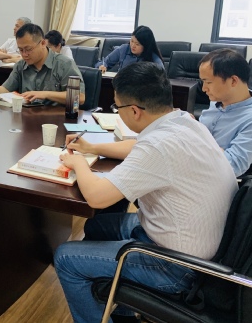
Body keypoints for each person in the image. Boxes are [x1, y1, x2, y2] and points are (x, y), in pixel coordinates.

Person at [54, 62, 238, 323]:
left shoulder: (159, 146)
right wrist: (92, 148)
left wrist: (78, 163)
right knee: (97, 226)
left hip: (178, 266)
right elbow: (137, 146)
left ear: (135, 111)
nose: (118, 112)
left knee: (66, 258)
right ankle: (121, 309)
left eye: (118, 107)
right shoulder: (183, 121)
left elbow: (97, 196)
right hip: (202, 245)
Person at [0, 23, 84, 105]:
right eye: (21, 50)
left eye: (28, 49)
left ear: (43, 43)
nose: (24, 54)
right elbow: (6, 89)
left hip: (55, 119)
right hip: (28, 118)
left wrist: (45, 94)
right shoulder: (21, 65)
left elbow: (79, 97)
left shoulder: (64, 64)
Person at [198, 48, 252, 178]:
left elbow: (233, 165)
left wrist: (200, 147)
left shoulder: (249, 118)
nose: (204, 88)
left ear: (233, 81)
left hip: (217, 180)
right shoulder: (217, 101)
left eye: (208, 82)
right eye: (203, 82)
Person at [96, 25, 163, 73]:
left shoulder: (152, 57)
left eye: (137, 44)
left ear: (146, 45)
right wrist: (101, 66)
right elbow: (104, 62)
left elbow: (161, 74)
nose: (133, 46)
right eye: (132, 41)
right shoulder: (123, 49)